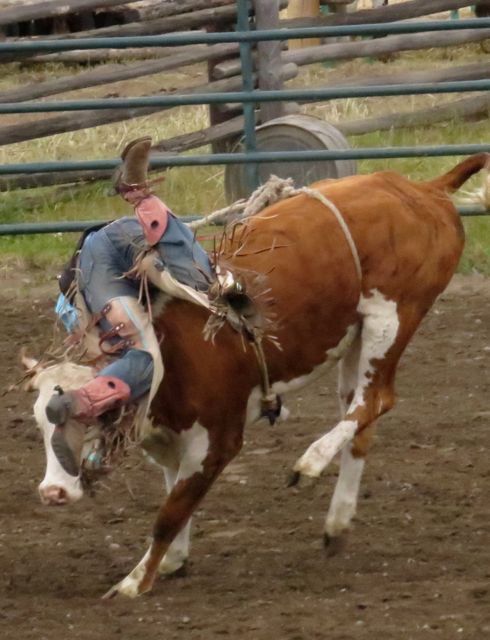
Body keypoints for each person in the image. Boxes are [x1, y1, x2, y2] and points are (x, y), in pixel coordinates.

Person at [46, 137, 214, 436]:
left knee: (197, 281)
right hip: (105, 261)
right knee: (148, 353)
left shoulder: (90, 323)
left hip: (104, 260)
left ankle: (138, 193)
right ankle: (82, 401)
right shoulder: (94, 322)